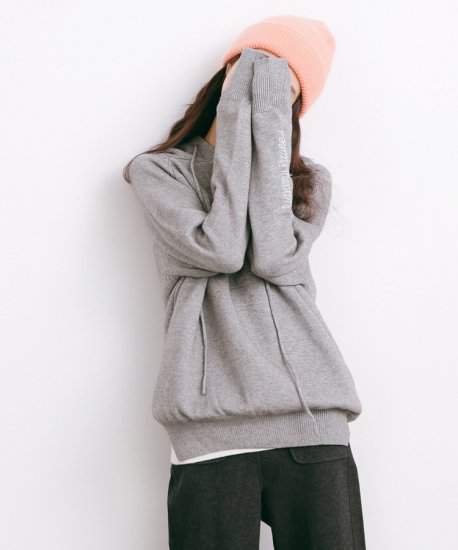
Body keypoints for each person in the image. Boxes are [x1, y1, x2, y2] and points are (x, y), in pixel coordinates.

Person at [123, 14, 366, 550]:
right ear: (226, 77)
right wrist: (236, 119)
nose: (264, 90)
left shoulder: (308, 182)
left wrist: (267, 138)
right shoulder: (159, 172)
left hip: (312, 421)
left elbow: (273, 256)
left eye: (285, 88)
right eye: (254, 71)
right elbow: (223, 249)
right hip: (212, 431)